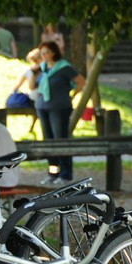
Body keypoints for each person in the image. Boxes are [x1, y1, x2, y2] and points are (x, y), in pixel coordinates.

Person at [34, 40, 85, 185]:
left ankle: (66, 173)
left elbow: (81, 82)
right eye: (41, 53)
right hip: (42, 106)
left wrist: (72, 94)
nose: (43, 55)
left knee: (60, 139)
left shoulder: (64, 67)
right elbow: (34, 85)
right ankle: (53, 172)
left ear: (54, 52)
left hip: (59, 107)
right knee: (48, 141)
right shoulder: (42, 68)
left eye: (46, 52)